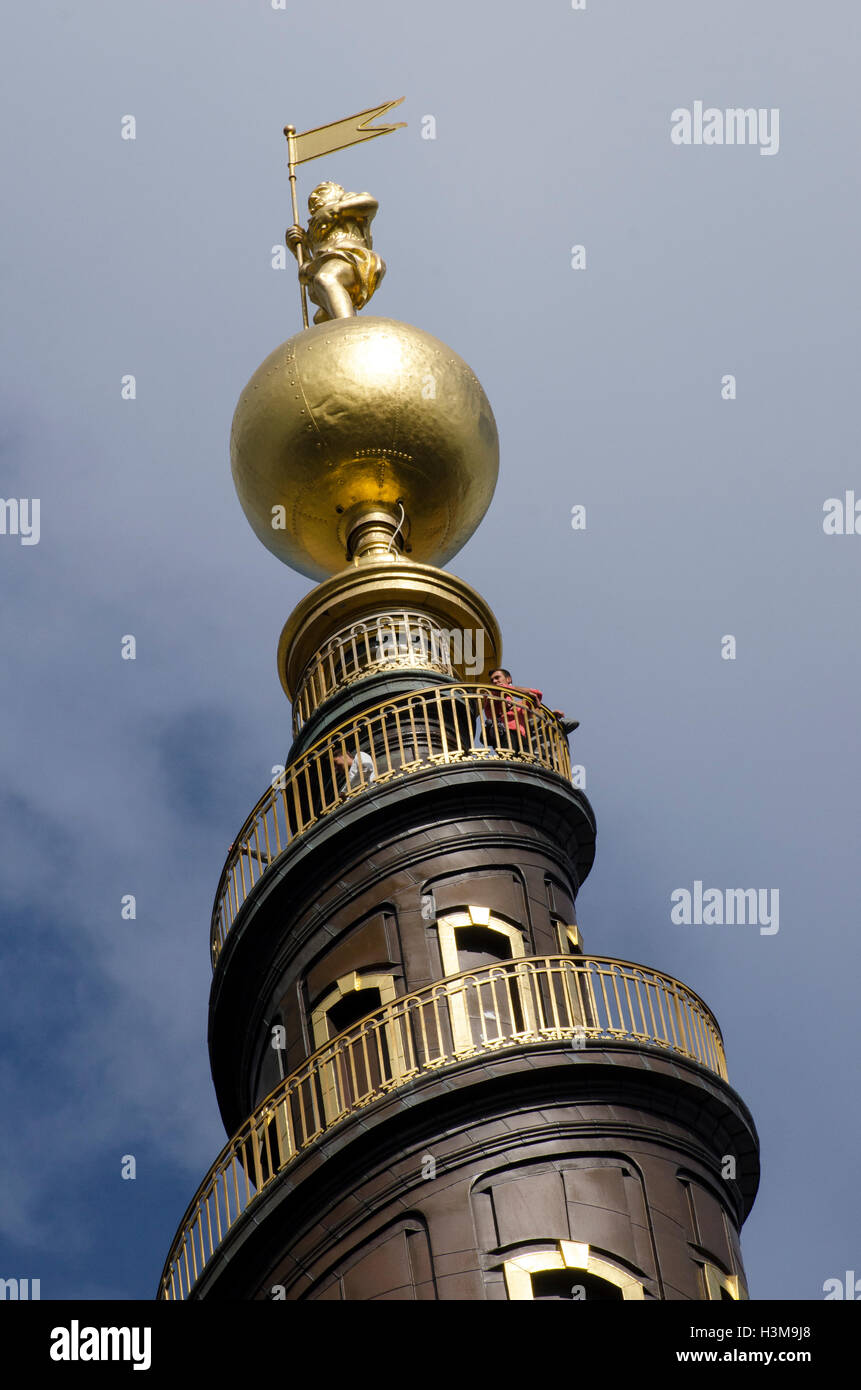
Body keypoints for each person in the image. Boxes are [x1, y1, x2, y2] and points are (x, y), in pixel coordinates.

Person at [285, 182, 385, 324]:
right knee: (321, 318)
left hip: (352, 258)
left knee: (326, 278)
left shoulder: (348, 201)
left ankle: (348, 327)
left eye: (322, 192)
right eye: (312, 200)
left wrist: (335, 210)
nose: (315, 198)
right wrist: (300, 250)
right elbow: (311, 269)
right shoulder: (315, 229)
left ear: (339, 191)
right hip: (330, 263)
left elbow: (370, 203)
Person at [483, 668, 579, 746]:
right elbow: (489, 697)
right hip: (503, 736)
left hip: (522, 739)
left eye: (497, 677)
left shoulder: (519, 706)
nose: (494, 681)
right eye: (492, 680)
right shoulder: (491, 697)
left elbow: (537, 694)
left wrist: (550, 714)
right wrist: (505, 688)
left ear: (508, 679)